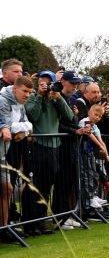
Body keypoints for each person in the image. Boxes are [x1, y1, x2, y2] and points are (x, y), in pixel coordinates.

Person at [24, 72, 77, 234]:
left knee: (47, 186)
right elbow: (32, 115)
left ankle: (40, 222)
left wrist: (58, 97)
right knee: (35, 186)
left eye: (49, 83)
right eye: (43, 83)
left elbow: (70, 117)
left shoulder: (57, 98)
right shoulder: (33, 97)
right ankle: (30, 224)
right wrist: (40, 95)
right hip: (38, 146)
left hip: (55, 147)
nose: (46, 86)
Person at [1, 77, 34, 240]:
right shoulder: (2, 100)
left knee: (7, 188)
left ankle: (4, 228)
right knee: (6, 188)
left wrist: (23, 131)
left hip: (4, 153)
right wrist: (19, 129)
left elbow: (28, 124)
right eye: (25, 91)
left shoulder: (19, 103)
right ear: (15, 89)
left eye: (29, 92)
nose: (27, 95)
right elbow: (8, 126)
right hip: (4, 150)